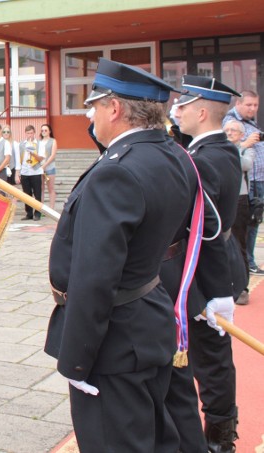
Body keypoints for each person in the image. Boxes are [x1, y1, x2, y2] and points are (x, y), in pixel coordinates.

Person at [43, 58, 197, 452]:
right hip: (147, 320)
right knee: (153, 437)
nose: (90, 115)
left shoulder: (116, 172)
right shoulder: (172, 155)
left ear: (114, 108)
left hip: (113, 340)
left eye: (95, 106)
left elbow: (94, 277)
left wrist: (77, 362)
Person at [165, 75, 243, 453]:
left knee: (211, 361)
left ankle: (219, 439)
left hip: (208, 270)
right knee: (204, 356)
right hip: (203, 268)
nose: (174, 111)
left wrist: (213, 290)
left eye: (181, 105)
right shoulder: (207, 149)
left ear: (200, 111)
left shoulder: (209, 157)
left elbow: (207, 231)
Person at [223, 91, 264, 274]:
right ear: (238, 104)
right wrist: (244, 144)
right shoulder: (230, 122)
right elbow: (233, 154)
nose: (253, 108)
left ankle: (249, 260)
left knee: (254, 222)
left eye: (255, 105)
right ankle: (247, 262)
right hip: (245, 184)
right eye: (249, 105)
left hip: (258, 178)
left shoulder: (251, 123)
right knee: (243, 227)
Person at [225, 119, 257, 305]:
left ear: (242, 134)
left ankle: (243, 287)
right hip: (223, 198)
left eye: (234, 131)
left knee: (239, 243)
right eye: (227, 130)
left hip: (239, 199)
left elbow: (245, 165)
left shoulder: (246, 149)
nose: (229, 134)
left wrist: (234, 148)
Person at [14, 124, 44, 220]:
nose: (30, 135)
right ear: (25, 134)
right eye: (28, 133)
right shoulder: (22, 144)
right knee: (26, 194)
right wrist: (17, 173)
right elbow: (19, 159)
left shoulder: (40, 143)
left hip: (36, 171)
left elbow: (41, 158)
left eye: (31, 133)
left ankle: (37, 213)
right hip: (25, 171)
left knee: (37, 193)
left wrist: (33, 154)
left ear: (34, 133)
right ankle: (29, 213)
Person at [38, 123, 58, 209]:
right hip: (40, 167)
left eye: (45, 130)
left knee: (50, 188)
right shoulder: (39, 142)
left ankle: (51, 208)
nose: (44, 132)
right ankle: (41, 208)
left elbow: (52, 155)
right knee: (41, 188)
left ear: (49, 131)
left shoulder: (53, 141)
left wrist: (45, 165)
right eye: (42, 130)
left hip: (49, 167)